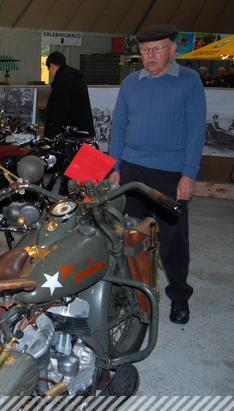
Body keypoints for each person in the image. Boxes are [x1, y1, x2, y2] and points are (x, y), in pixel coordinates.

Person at [108, 24, 206, 325]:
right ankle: (131, 291)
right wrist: (114, 167)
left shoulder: (189, 81)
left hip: (170, 172)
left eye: (156, 49)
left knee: (173, 238)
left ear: (172, 49)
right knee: (129, 233)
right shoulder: (130, 83)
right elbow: (119, 126)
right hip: (132, 168)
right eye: (144, 50)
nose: (149, 55)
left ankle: (179, 296)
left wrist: (189, 174)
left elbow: (196, 130)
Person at [44, 51, 95, 139]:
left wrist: (51, 134)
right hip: (84, 131)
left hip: (70, 134)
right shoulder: (76, 77)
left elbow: (59, 111)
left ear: (52, 65)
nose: (50, 73)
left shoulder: (61, 82)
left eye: (49, 69)